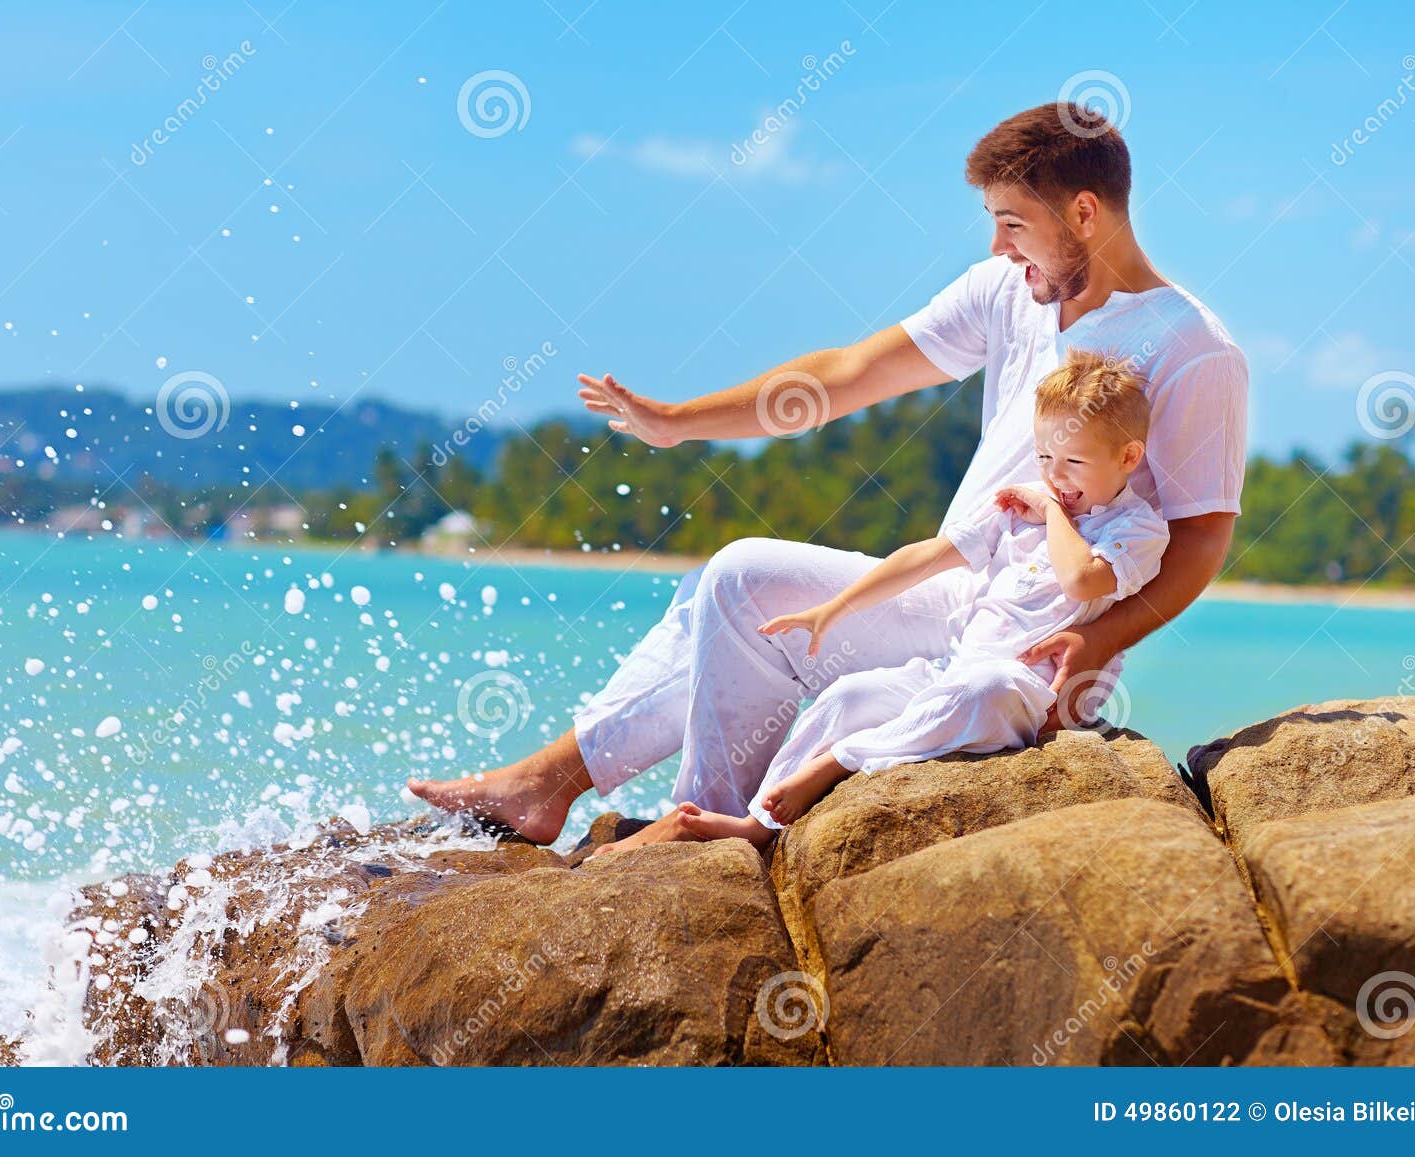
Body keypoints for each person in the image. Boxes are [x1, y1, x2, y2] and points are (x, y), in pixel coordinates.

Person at [407, 100, 1248, 853]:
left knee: (729, 592)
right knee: (737, 579)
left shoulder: (1192, 348)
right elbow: (846, 374)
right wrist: (679, 422)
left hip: (1029, 643)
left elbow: (1204, 536)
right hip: (952, 587)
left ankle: (675, 830)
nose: (996, 245)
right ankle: (629, 800)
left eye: (1012, 223)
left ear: (1085, 213)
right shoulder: (1011, 291)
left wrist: (1096, 644)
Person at [656, 348, 1167, 850]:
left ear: (1127, 457)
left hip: (1038, 695)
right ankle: (757, 823)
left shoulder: (1138, 528)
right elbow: (927, 556)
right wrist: (833, 609)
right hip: (954, 671)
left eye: (1074, 461)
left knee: (985, 688)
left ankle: (838, 763)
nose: (1055, 475)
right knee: (849, 696)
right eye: (1043, 457)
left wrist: (1053, 512)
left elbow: (1081, 580)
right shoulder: (1020, 505)